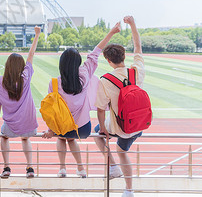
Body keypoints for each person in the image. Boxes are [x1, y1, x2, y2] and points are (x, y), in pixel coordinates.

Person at [42, 22, 121, 178]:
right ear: (78, 63)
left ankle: (63, 168)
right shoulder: (84, 76)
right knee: (70, 138)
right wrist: (112, 32)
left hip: (62, 128)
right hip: (83, 128)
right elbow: (96, 52)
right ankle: (80, 168)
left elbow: (52, 111)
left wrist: (51, 130)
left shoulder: (54, 83)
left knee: (62, 137)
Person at [94, 16, 144, 197]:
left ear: (108, 60)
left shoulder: (106, 80)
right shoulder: (136, 71)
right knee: (123, 150)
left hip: (120, 127)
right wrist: (132, 24)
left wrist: (104, 131)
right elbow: (138, 47)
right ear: (124, 56)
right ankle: (129, 190)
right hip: (139, 125)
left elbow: (100, 109)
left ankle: (113, 166)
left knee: (98, 134)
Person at [0, 26, 41, 179]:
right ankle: (30, 167)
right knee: (25, 139)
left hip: (10, 124)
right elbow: (31, 55)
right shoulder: (25, 78)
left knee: (4, 137)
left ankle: (6, 167)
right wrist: (37, 35)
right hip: (28, 124)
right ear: (21, 67)